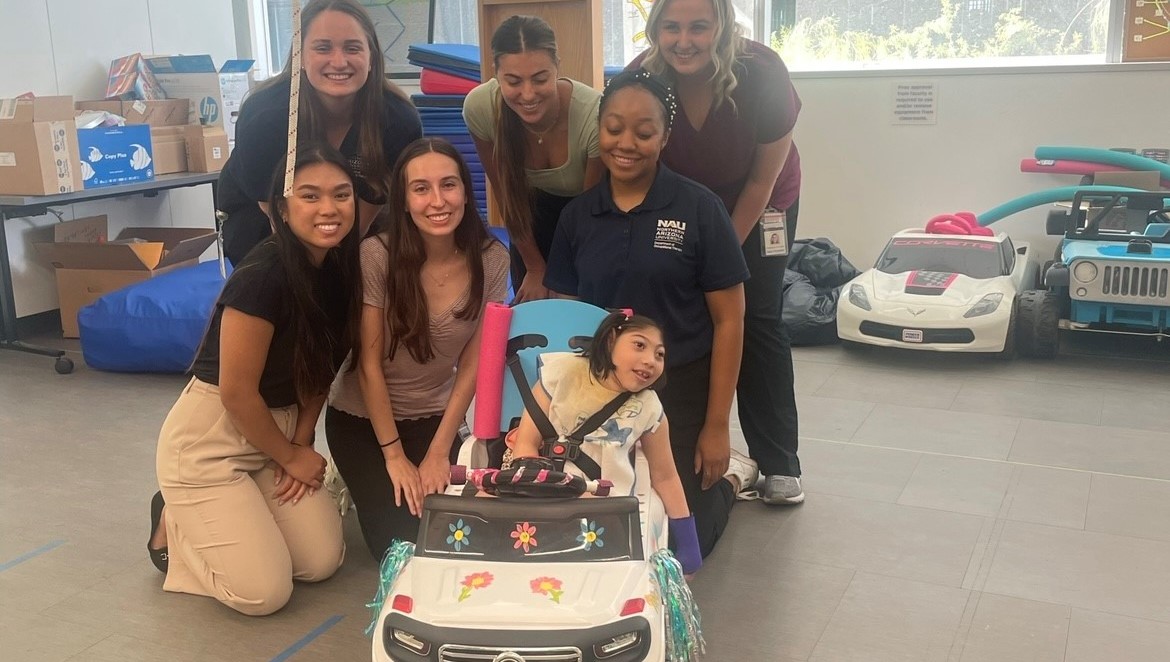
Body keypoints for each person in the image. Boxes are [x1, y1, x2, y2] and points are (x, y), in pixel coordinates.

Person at [544, 70, 756, 557]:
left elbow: (730, 320)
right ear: (599, 130)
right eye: (614, 128)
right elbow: (565, 315)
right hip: (602, 388)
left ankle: (732, 478)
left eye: (644, 132)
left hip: (678, 389)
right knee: (600, 528)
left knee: (683, 543)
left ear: (665, 137)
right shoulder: (577, 217)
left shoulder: (700, 208)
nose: (627, 143)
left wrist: (717, 425)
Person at [148, 142, 363, 616]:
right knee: (263, 594)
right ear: (282, 209)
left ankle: (240, 519)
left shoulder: (342, 269)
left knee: (322, 561)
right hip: (213, 440)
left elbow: (321, 373)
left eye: (341, 194)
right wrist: (287, 454)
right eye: (310, 196)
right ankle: (175, 521)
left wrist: (301, 444)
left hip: (277, 433)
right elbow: (237, 393)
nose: (328, 208)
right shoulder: (263, 276)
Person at [630, 0, 805, 504]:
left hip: (761, 203)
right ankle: (678, 439)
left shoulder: (763, 71)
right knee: (686, 313)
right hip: (685, 208)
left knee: (757, 318)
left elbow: (761, 179)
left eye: (699, 27)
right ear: (655, 29)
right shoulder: (643, 77)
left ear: (722, 27)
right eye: (672, 27)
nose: (684, 40)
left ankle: (778, 462)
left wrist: (720, 256)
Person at [325, 138, 509, 560]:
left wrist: (439, 451)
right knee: (406, 546)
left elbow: (474, 365)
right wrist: (394, 458)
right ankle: (351, 474)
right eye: (421, 188)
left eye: (449, 185)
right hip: (365, 422)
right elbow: (368, 367)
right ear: (404, 201)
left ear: (466, 191)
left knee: (459, 534)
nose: (437, 200)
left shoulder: (492, 258)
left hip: (434, 419)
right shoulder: (378, 255)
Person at [217, 0, 422, 266]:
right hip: (264, 219)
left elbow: (368, 211)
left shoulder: (398, 120)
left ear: (371, 59)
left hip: (356, 220)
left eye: (352, 48)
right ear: (300, 57)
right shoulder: (264, 116)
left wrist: (340, 269)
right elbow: (274, 211)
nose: (339, 62)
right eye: (323, 48)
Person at [508, 312, 703, 574]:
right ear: (611, 340)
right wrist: (538, 505)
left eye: (660, 354)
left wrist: (689, 544)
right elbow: (526, 445)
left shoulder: (648, 407)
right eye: (639, 345)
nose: (650, 361)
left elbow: (665, 476)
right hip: (539, 508)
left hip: (607, 517)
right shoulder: (561, 374)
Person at [463, 15, 605, 302]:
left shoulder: (594, 115)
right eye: (513, 81)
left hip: (585, 223)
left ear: (557, 67)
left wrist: (563, 280)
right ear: (495, 72)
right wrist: (535, 267)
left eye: (540, 79)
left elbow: (589, 218)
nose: (527, 94)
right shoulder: (480, 108)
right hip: (526, 220)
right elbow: (506, 194)